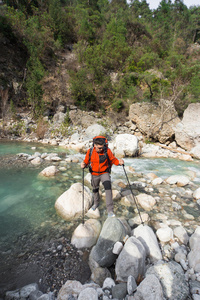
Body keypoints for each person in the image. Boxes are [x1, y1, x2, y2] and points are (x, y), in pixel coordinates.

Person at [81, 136, 124, 217]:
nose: (101, 149)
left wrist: (119, 162)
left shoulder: (107, 151)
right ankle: (96, 204)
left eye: (102, 147)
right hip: (94, 174)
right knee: (95, 189)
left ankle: (110, 211)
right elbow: (86, 161)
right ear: (95, 145)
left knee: (108, 189)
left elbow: (113, 160)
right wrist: (83, 164)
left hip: (104, 173)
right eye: (99, 148)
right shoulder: (90, 151)